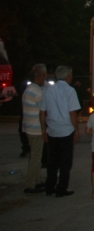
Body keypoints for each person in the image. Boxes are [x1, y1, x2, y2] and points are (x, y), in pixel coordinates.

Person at [40, 65, 81, 197]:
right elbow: (72, 113)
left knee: (52, 161)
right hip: (66, 130)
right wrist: (76, 129)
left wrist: (43, 129)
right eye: (71, 75)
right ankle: (61, 188)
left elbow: (42, 112)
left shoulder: (48, 90)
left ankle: (50, 186)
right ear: (68, 76)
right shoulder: (70, 91)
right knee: (65, 162)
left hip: (52, 130)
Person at [22, 65, 46, 194]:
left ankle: (37, 181)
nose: (45, 78)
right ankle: (30, 184)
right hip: (36, 129)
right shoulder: (37, 92)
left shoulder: (29, 89)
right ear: (38, 77)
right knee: (36, 157)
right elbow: (44, 111)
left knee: (36, 155)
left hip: (29, 127)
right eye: (43, 76)